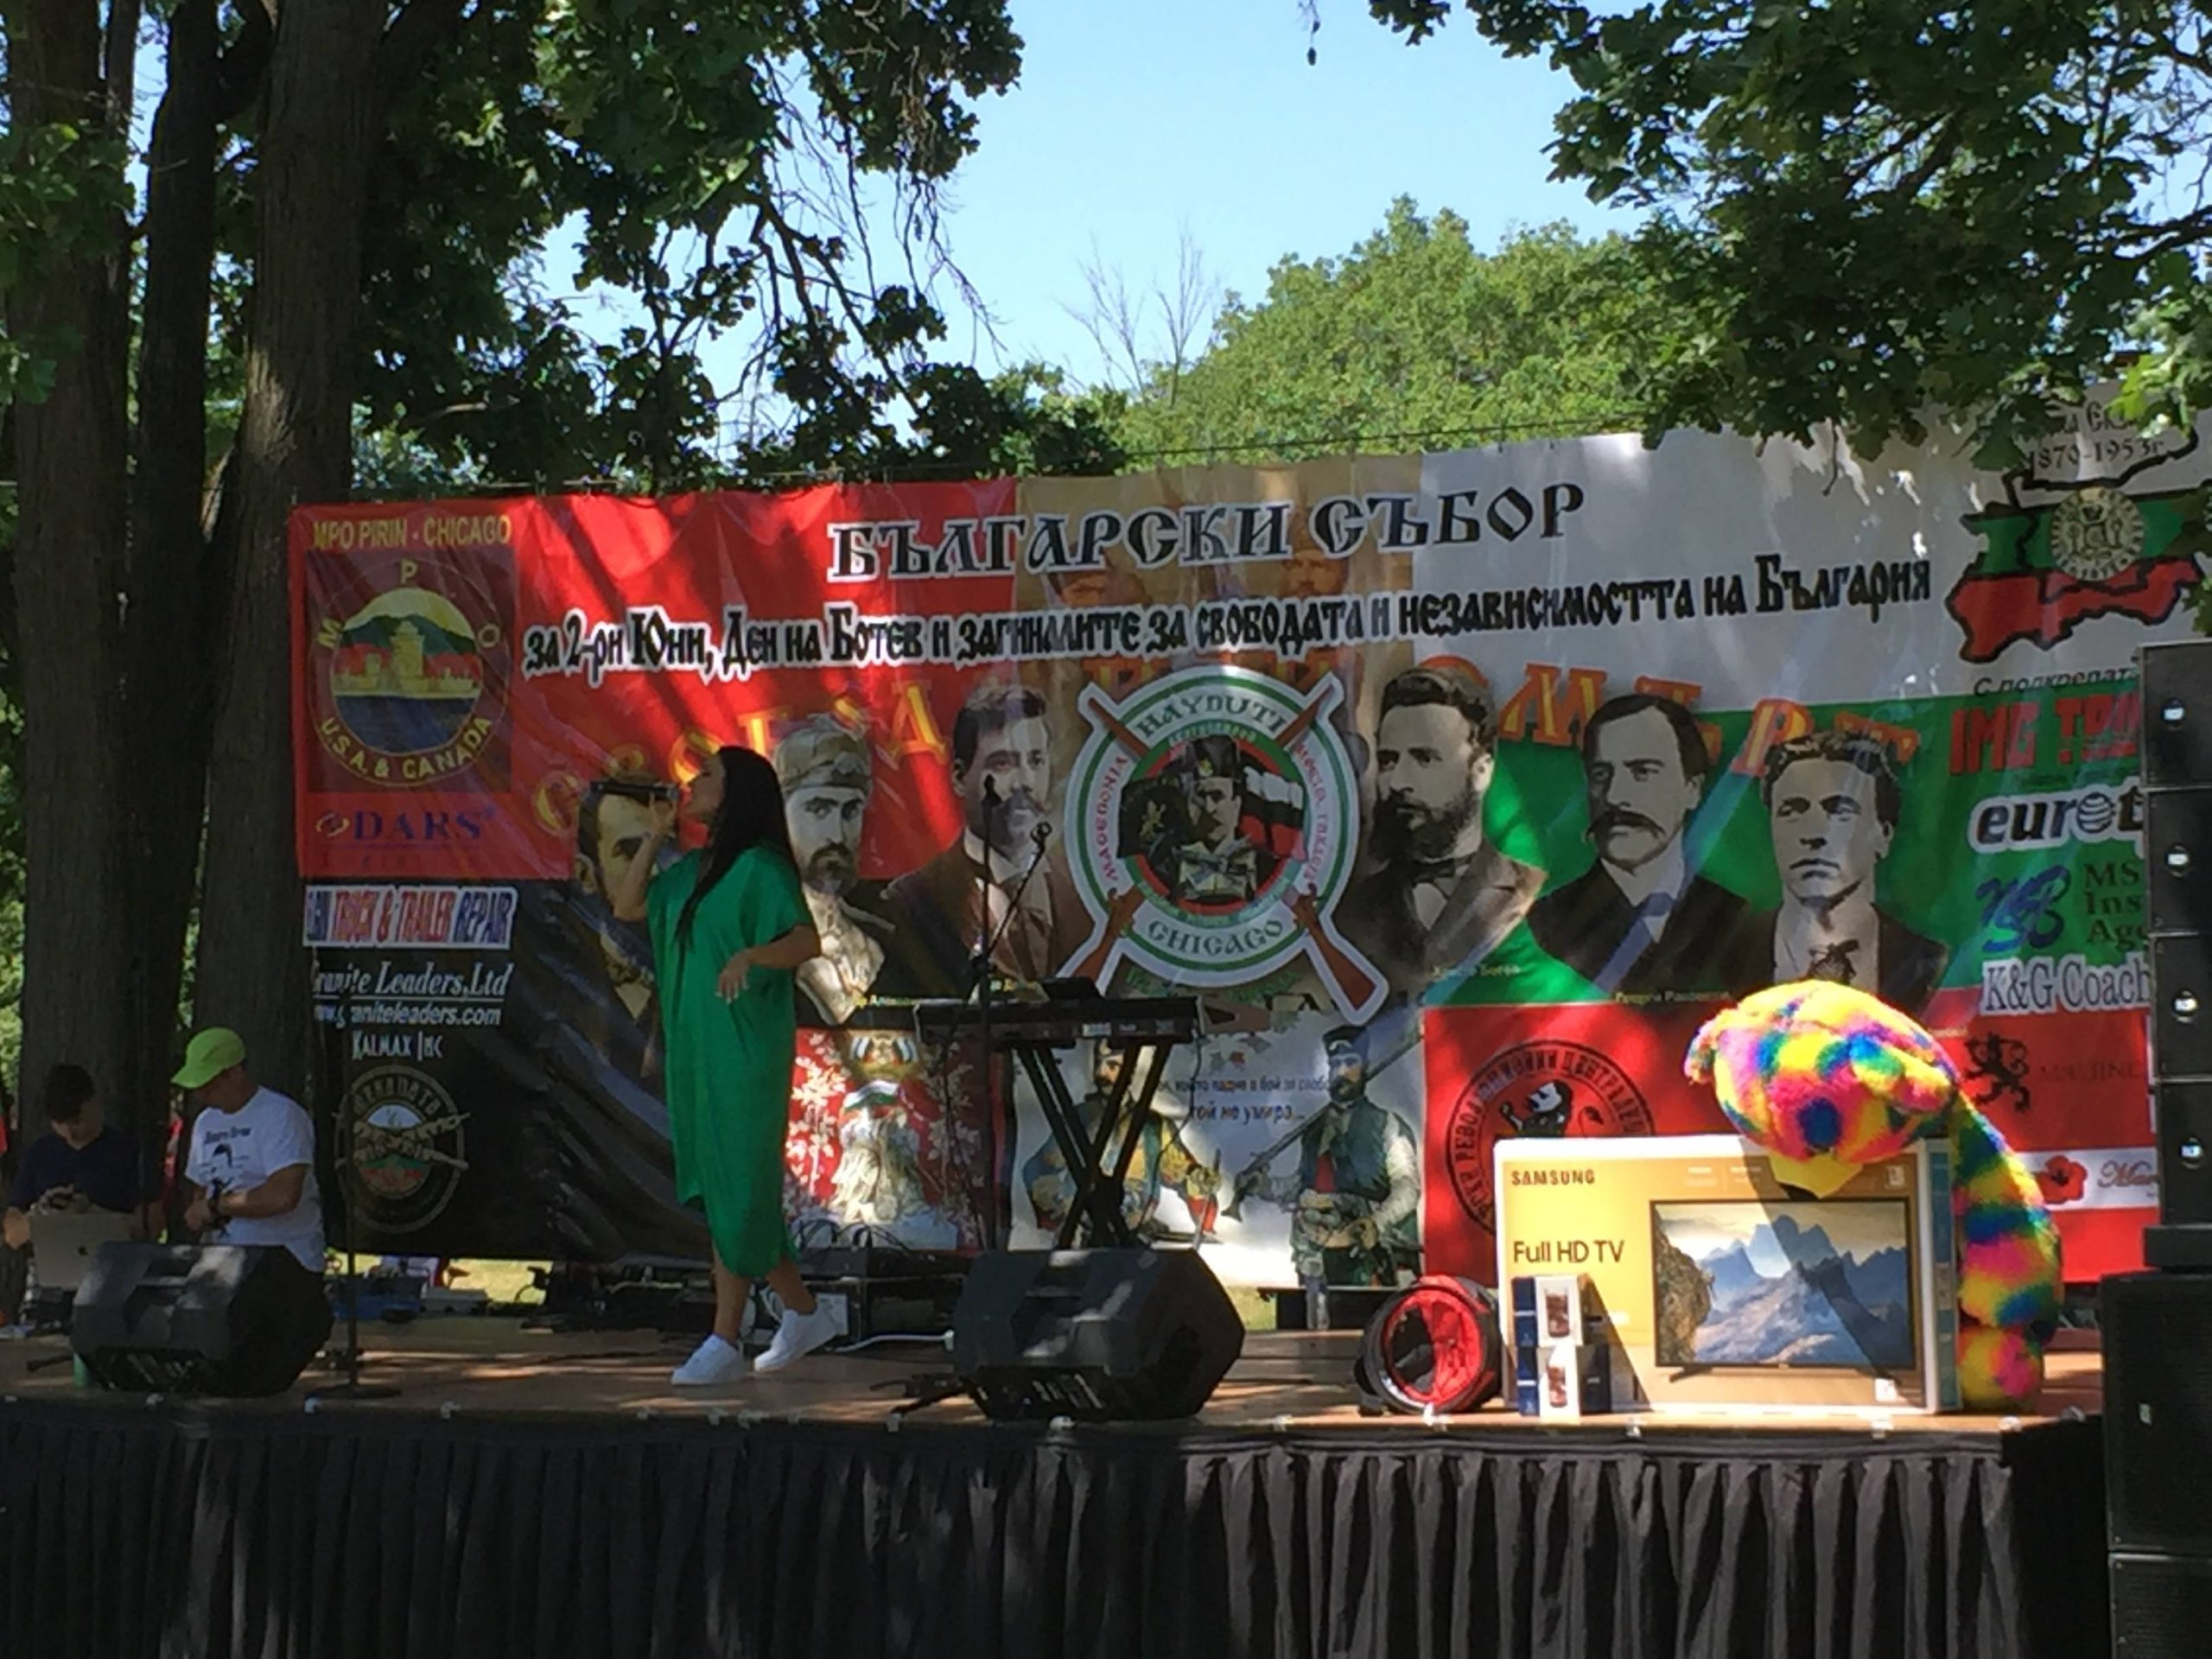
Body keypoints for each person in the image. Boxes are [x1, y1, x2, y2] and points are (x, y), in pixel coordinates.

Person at [609, 745, 837, 1386]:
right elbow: (628, 906)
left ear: (737, 792)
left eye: (707, 774)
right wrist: (656, 837)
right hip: (696, 1051)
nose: (693, 781)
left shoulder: (759, 867)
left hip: (745, 1051)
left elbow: (805, 939)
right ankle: (804, 1313)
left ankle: (724, 1338)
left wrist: (752, 957)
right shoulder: (690, 872)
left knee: (738, 1189)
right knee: (726, 1192)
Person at [1528, 694, 1761, 996]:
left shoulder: (1733, 917)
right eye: (1601, 774)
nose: (1615, 796)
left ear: (1691, 789)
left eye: (1643, 772)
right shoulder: (1549, 921)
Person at [1340, 664, 1544, 1000]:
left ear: (1480, 771)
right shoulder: (1351, 910)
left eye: (1424, 759)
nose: (1398, 782)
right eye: (1389, 761)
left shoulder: (1535, 892)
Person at [880, 681, 1088, 992]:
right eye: (1002, 764)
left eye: (1036, 761)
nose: (1025, 782)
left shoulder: (1082, 892)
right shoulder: (913, 901)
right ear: (960, 777)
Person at [1757, 729, 1949, 1013]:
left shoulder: (1930, 963)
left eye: (1840, 812)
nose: (1815, 834)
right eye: (1792, 812)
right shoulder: (1723, 956)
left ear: (1883, 835)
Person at [1228, 1027, 1420, 1287]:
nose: (1341, 1072)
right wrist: (1263, 1186)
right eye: (1335, 1064)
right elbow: (1302, 1185)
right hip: (1318, 1256)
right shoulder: (1315, 1130)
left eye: (1350, 1063)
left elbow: (1407, 1187)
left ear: (1365, 1067)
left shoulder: (1387, 1125)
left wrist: (1377, 1223)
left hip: (1370, 1256)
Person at [775, 715, 897, 1024]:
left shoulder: (885, 937)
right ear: (779, 814)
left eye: (851, 811)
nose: (837, 835)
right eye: (818, 808)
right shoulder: (755, 936)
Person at [175, 1029, 326, 1272]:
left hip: (285, 1262)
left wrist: (215, 1207)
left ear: (235, 1073)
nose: (200, 1092)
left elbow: (282, 1196)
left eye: (208, 1084)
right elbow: (201, 1187)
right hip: (222, 1261)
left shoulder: (280, 1115)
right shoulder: (205, 1122)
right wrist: (199, 1212)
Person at [2, 1064, 162, 1252]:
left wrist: (92, 1215)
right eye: (60, 1124)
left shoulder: (128, 1152)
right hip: (53, 1263)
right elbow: (12, 1234)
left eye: (76, 1122)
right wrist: (42, 1216)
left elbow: (153, 1225)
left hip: (113, 1261)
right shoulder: (39, 1154)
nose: (70, 1132)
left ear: (93, 1103)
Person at [1170, 735, 1263, 907]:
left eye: (1217, 796)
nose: (1209, 808)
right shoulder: (1166, 865)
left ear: (1236, 805)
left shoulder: (1263, 865)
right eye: (1199, 797)